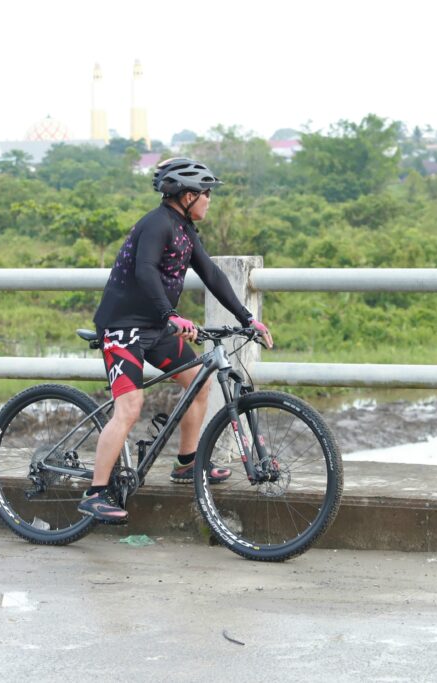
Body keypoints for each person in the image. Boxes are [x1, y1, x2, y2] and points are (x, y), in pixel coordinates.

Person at [78, 158, 273, 523]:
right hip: (123, 329)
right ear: (186, 195)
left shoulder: (184, 230)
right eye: (206, 194)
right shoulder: (156, 225)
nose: (209, 200)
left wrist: (248, 318)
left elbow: (212, 275)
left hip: (156, 328)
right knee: (130, 407)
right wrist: (171, 315)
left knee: (198, 383)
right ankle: (95, 492)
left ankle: (186, 463)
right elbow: (146, 270)